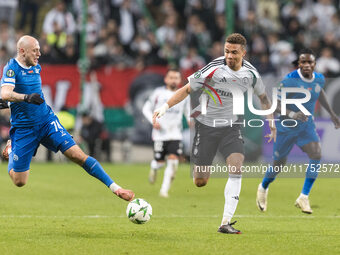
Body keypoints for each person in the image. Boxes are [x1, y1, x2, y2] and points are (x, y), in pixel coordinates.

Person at [153, 33, 276, 234]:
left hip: (231, 127)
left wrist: (271, 122)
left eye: (234, 52)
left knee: (236, 167)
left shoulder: (251, 74)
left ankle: (225, 222)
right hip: (207, 126)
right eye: (226, 51)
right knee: (200, 181)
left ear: (243, 53)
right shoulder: (214, 68)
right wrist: (165, 107)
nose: (229, 56)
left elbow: (263, 98)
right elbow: (186, 90)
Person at [0, 35, 134, 202]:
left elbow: (17, 96)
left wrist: (16, 102)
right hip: (24, 129)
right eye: (35, 51)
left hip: (47, 121)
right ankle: (12, 148)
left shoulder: (36, 67)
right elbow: (5, 93)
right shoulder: (11, 68)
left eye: (39, 50)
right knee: (19, 181)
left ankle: (116, 188)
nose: (39, 54)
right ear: (22, 51)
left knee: (77, 155)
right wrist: (25, 98)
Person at [256, 48, 340, 214]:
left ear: (315, 64)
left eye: (310, 62)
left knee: (316, 154)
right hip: (286, 127)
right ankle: (263, 187)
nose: (307, 65)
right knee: (278, 164)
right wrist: (293, 114)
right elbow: (276, 105)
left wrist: (332, 114)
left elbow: (319, 92)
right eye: (304, 62)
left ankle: (303, 196)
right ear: (299, 64)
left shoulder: (319, 78)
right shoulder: (289, 81)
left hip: (306, 126)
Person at [142, 69, 190, 198]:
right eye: (171, 77)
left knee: (174, 161)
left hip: (175, 134)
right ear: (166, 79)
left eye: (176, 78)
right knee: (159, 163)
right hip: (160, 134)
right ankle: (154, 167)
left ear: (180, 80)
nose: (174, 80)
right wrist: (153, 122)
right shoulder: (158, 93)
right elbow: (146, 108)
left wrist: (191, 121)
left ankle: (164, 191)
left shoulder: (184, 94)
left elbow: (188, 111)